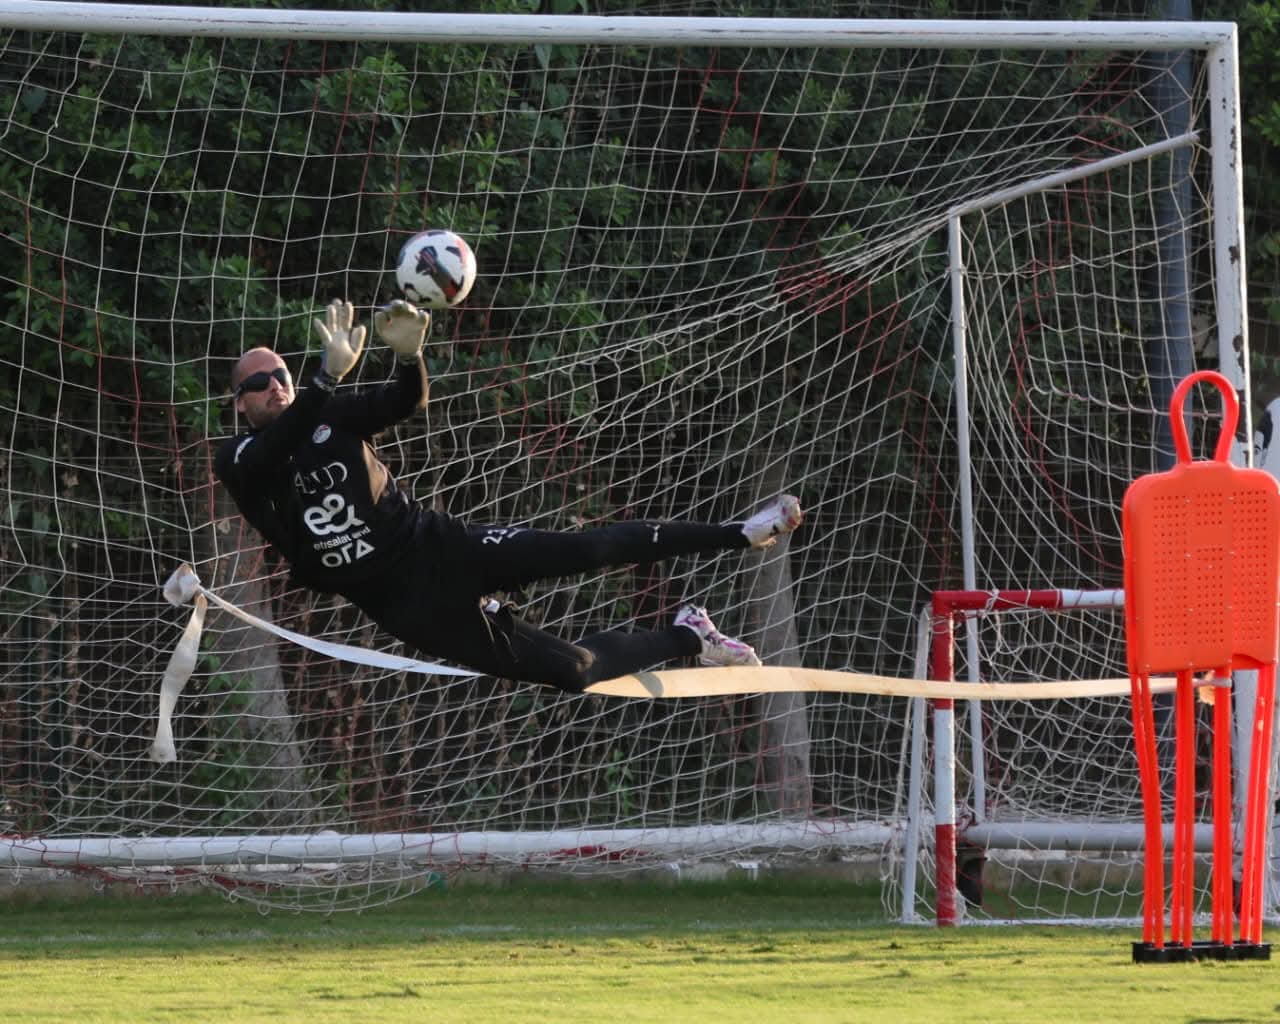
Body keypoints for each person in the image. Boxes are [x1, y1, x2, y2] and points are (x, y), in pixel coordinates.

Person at [213, 298, 803, 693]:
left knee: (587, 549)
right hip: (404, 606)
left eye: (284, 377)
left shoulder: (327, 413)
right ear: (239, 402)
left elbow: (404, 403)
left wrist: (410, 357)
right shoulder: (238, 459)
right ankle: (689, 634)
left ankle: (741, 534)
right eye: (260, 383)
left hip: (437, 547)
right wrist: (320, 382)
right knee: (575, 672)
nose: (277, 388)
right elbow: (271, 455)